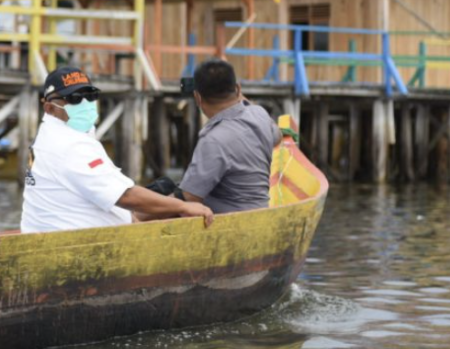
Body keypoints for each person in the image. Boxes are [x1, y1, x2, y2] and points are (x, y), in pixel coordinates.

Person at [20, 67, 214, 233]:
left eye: (90, 95)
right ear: (49, 108)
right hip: (74, 245)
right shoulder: (70, 145)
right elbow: (125, 196)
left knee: (164, 188)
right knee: (177, 202)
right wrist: (183, 206)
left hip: (63, 231)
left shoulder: (57, 132)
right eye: (74, 99)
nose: (85, 103)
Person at [180, 59, 280, 214]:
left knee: (163, 189)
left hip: (227, 220)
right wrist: (240, 97)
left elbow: (189, 199)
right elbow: (277, 136)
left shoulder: (213, 140)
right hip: (260, 211)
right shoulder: (259, 114)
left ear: (198, 98)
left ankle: (131, 221)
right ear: (238, 89)